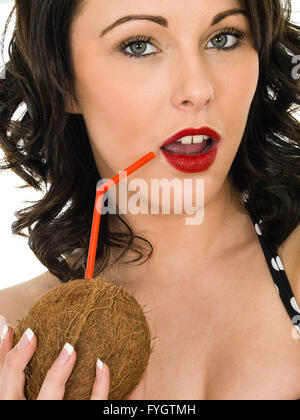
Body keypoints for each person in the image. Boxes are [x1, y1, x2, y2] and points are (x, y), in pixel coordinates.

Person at [0, 0, 299, 400]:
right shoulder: (14, 339)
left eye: (224, 38)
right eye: (139, 45)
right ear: (63, 80)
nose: (198, 89)